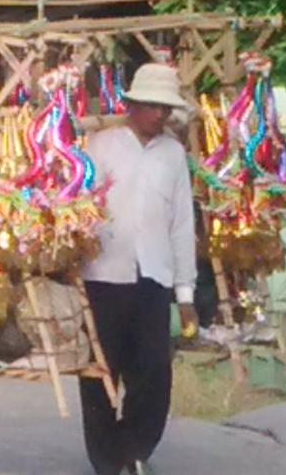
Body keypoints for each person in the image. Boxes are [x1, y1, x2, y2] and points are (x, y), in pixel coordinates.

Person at [79, 62, 197, 475]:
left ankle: (134, 447)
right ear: (133, 105)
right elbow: (79, 204)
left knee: (153, 374)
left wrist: (185, 295)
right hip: (103, 277)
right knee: (99, 372)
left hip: (153, 279)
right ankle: (107, 459)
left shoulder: (173, 155)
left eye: (165, 109)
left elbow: (182, 224)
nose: (159, 116)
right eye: (152, 107)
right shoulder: (101, 145)